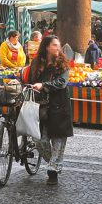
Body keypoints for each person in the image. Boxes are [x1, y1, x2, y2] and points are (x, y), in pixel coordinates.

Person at [26, 35, 74, 185]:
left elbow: (62, 82)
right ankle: (53, 163)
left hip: (59, 106)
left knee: (58, 142)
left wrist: (44, 85)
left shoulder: (63, 65)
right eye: (54, 45)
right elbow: (31, 79)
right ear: (47, 47)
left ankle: (53, 172)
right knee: (40, 140)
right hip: (41, 106)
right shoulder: (37, 63)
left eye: (58, 45)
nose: (58, 48)